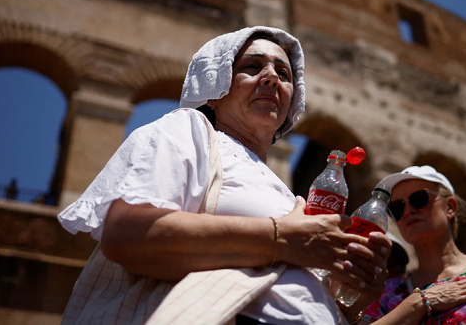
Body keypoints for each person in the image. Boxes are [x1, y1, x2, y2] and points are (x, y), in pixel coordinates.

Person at [57, 26, 391, 325]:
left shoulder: (283, 191)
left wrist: (355, 292)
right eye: (251, 66)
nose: (272, 77)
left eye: (284, 73)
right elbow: (127, 235)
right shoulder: (188, 130)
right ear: (215, 88)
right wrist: (280, 238)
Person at [361, 165, 466, 324]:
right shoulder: (390, 292)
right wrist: (419, 302)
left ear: (450, 207)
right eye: (397, 208)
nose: (408, 211)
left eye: (419, 199)